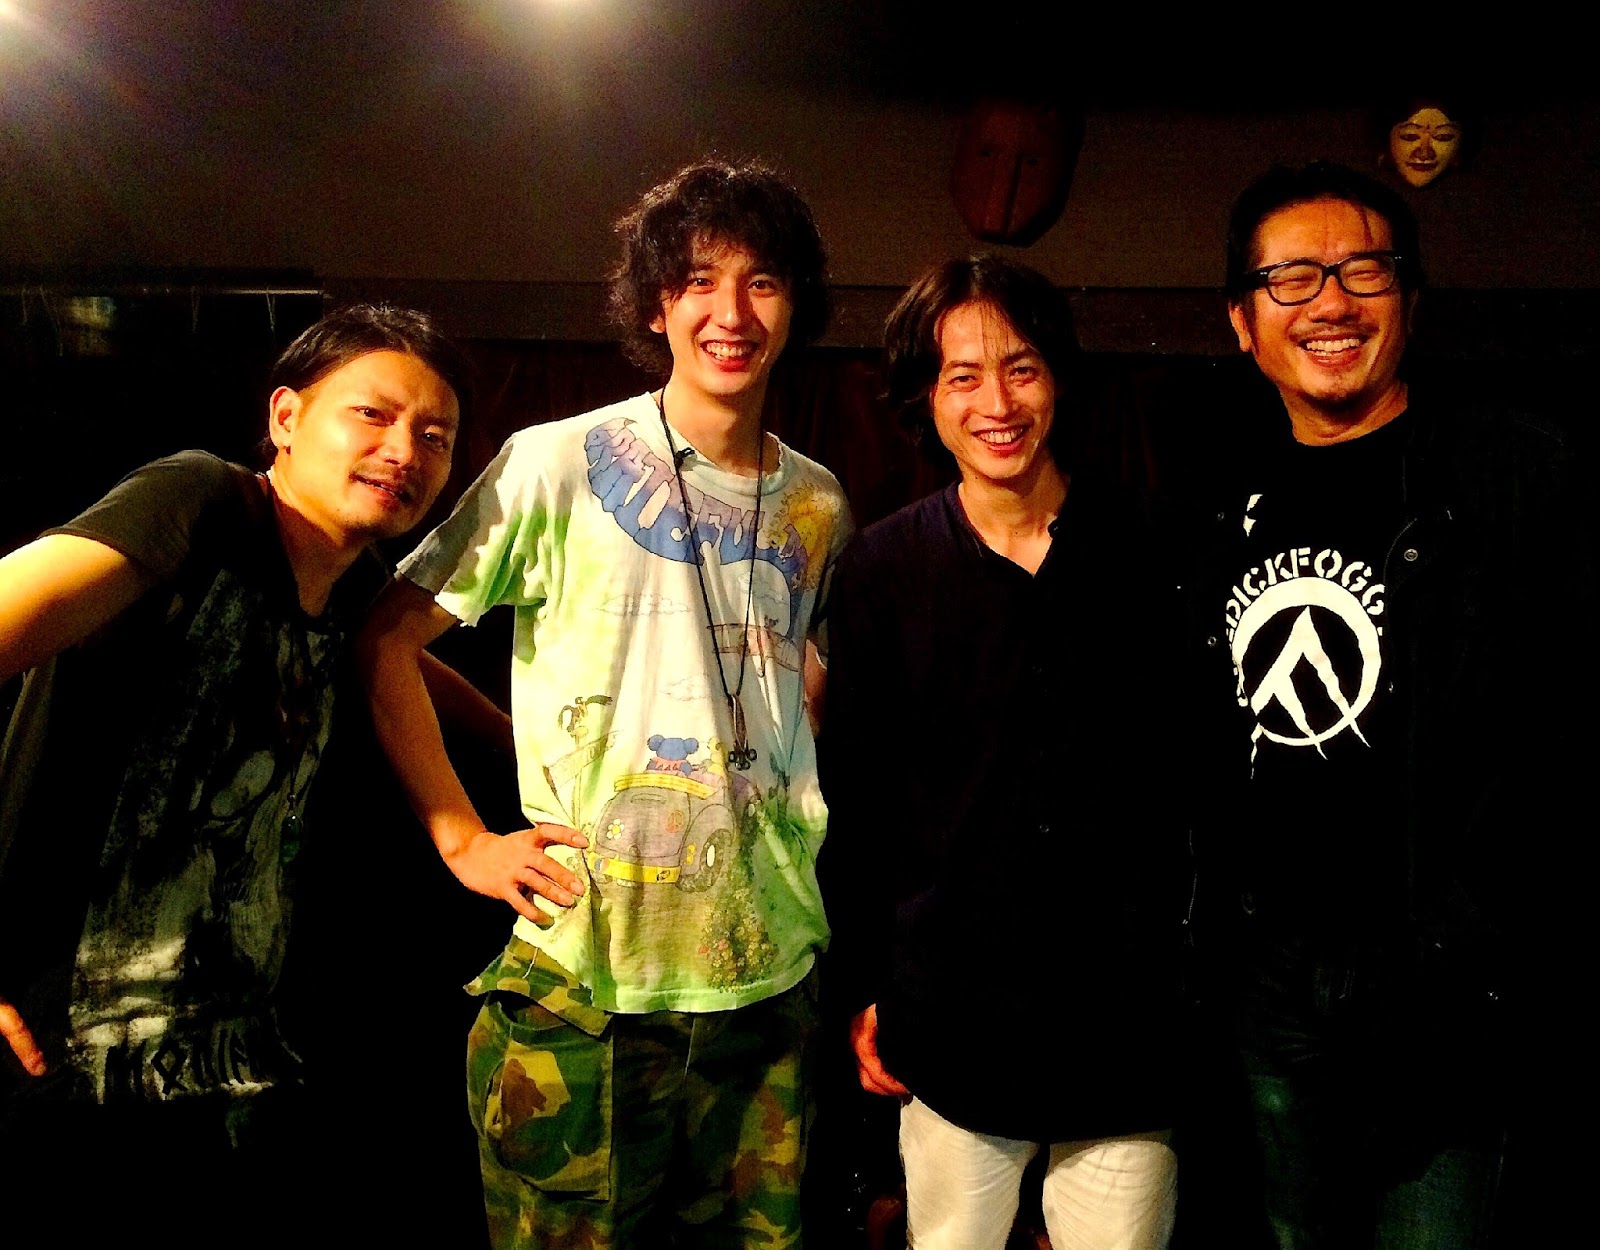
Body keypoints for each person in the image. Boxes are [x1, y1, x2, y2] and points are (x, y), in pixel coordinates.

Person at [358, 158, 852, 1249]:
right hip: (586, 984)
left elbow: (802, 673)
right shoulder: (558, 463)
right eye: (699, 280)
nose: (731, 312)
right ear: (656, 305)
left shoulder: (820, 501)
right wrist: (461, 838)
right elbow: (386, 639)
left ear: (796, 305)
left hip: (769, 982)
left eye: (762, 281)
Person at [0, 304, 468, 1238]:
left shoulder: (357, 594)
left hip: (234, 1077)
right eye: (373, 414)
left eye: (435, 436)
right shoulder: (200, 503)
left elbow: (433, 688)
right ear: (287, 417)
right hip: (60, 1064)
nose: (404, 452)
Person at [1202, 159, 1593, 1248]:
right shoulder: (1217, 496)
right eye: (1291, 277)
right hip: (1272, 986)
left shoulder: (1517, 474)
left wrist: (1476, 937)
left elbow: (1568, 741)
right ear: (1242, 322)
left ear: (1408, 299)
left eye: (1362, 270)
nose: (1330, 302)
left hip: (1445, 993)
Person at [821, 255, 1186, 1250]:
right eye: (963, 376)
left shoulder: (1152, 546)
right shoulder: (883, 567)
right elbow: (859, 799)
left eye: (1020, 368)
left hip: (1127, 1017)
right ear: (926, 397)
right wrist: (864, 984)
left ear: (1057, 377)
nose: (997, 403)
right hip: (951, 1015)